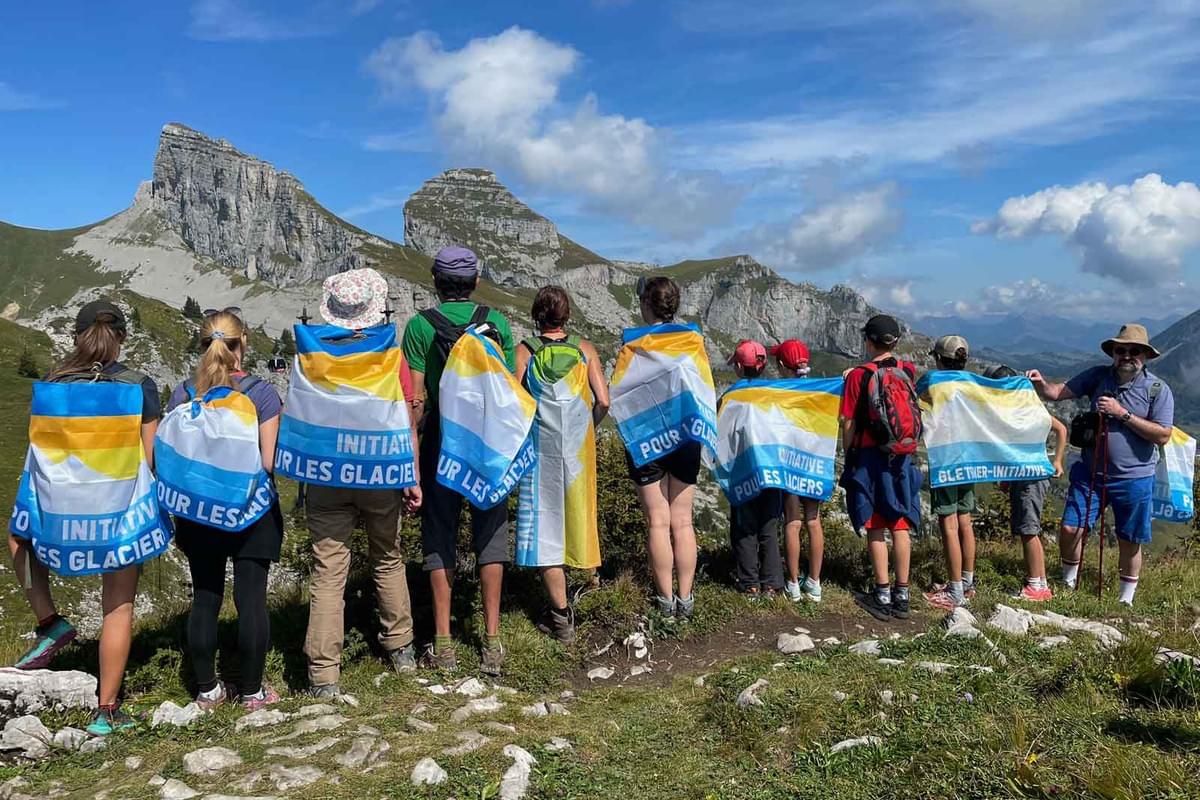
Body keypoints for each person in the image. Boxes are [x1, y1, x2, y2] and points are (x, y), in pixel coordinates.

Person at [8, 300, 162, 734]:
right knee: (117, 605)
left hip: (62, 505)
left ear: (77, 336)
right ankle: (107, 710)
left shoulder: (53, 382)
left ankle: (50, 622)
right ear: (123, 339)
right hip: (118, 508)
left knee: (18, 538)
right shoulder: (139, 385)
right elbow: (150, 456)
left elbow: (42, 451)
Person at [301, 268, 422, 697]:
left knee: (328, 573)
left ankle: (323, 674)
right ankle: (401, 648)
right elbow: (405, 417)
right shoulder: (390, 356)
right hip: (380, 471)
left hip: (327, 474)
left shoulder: (313, 355)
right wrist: (412, 473)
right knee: (387, 557)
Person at [402, 246, 515, 675]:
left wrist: (409, 459)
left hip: (440, 443)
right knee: (490, 536)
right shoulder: (497, 321)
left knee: (439, 537)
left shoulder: (419, 327)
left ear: (435, 281)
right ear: (475, 282)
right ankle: (491, 641)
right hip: (485, 444)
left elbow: (415, 399)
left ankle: (444, 644)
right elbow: (503, 387)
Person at [163, 310, 284, 710]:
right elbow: (268, 461)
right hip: (252, 510)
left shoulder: (183, 393)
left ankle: (207, 689)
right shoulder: (261, 393)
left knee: (205, 597)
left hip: (198, 513)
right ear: (243, 342)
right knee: (251, 599)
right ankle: (252, 692)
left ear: (204, 345)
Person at [1027, 324, 1174, 606]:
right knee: (1071, 528)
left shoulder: (1157, 390)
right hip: (1090, 472)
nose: (1127, 356)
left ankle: (1125, 600)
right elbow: (1057, 393)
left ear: (1144, 356)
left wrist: (1123, 414)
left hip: (1135, 477)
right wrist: (1040, 384)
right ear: (1113, 353)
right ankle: (1069, 581)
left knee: (1129, 539)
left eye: (1134, 351)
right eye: (1121, 350)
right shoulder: (1097, 376)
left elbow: (1164, 434)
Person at [514, 287, 609, 642]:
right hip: (578, 451)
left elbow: (515, 403)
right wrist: (587, 428)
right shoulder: (585, 351)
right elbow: (603, 400)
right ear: (566, 316)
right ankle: (593, 587)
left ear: (537, 315)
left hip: (540, 452)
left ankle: (561, 617)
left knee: (545, 527)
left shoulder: (525, 352)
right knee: (581, 514)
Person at [620, 276, 707, 619]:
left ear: (645, 304)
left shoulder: (632, 343)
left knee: (658, 521)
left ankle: (664, 600)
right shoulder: (693, 339)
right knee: (683, 522)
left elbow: (623, 393)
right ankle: (686, 600)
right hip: (686, 433)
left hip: (647, 437)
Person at [839, 314, 923, 621]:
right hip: (901, 456)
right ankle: (903, 593)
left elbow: (848, 421)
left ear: (868, 341)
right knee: (900, 523)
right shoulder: (907, 370)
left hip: (870, 456)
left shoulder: (858, 376)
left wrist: (847, 450)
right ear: (896, 342)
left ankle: (882, 592)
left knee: (875, 524)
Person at [985, 365, 1066, 602]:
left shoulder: (1023, 410)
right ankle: (1039, 583)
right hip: (1028, 475)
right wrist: (1057, 461)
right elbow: (1060, 429)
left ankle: (1036, 586)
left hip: (1031, 477)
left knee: (1029, 530)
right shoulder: (1027, 407)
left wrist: (1059, 461)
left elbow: (1061, 428)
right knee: (1028, 529)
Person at [723, 340, 785, 598]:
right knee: (769, 527)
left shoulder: (730, 397)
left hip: (743, 472)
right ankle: (772, 583)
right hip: (772, 471)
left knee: (744, 526)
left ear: (738, 366)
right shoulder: (776, 393)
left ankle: (749, 582)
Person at [922, 335, 978, 611]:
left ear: (938, 359)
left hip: (945, 457)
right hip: (970, 459)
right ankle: (967, 582)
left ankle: (954, 590)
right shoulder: (974, 384)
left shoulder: (933, 382)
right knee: (965, 520)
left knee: (949, 523)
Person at [770, 339, 823, 603]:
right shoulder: (819, 390)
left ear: (781, 365)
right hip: (815, 461)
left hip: (790, 463)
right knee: (813, 520)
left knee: (792, 521)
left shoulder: (779, 392)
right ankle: (814, 583)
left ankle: (792, 583)